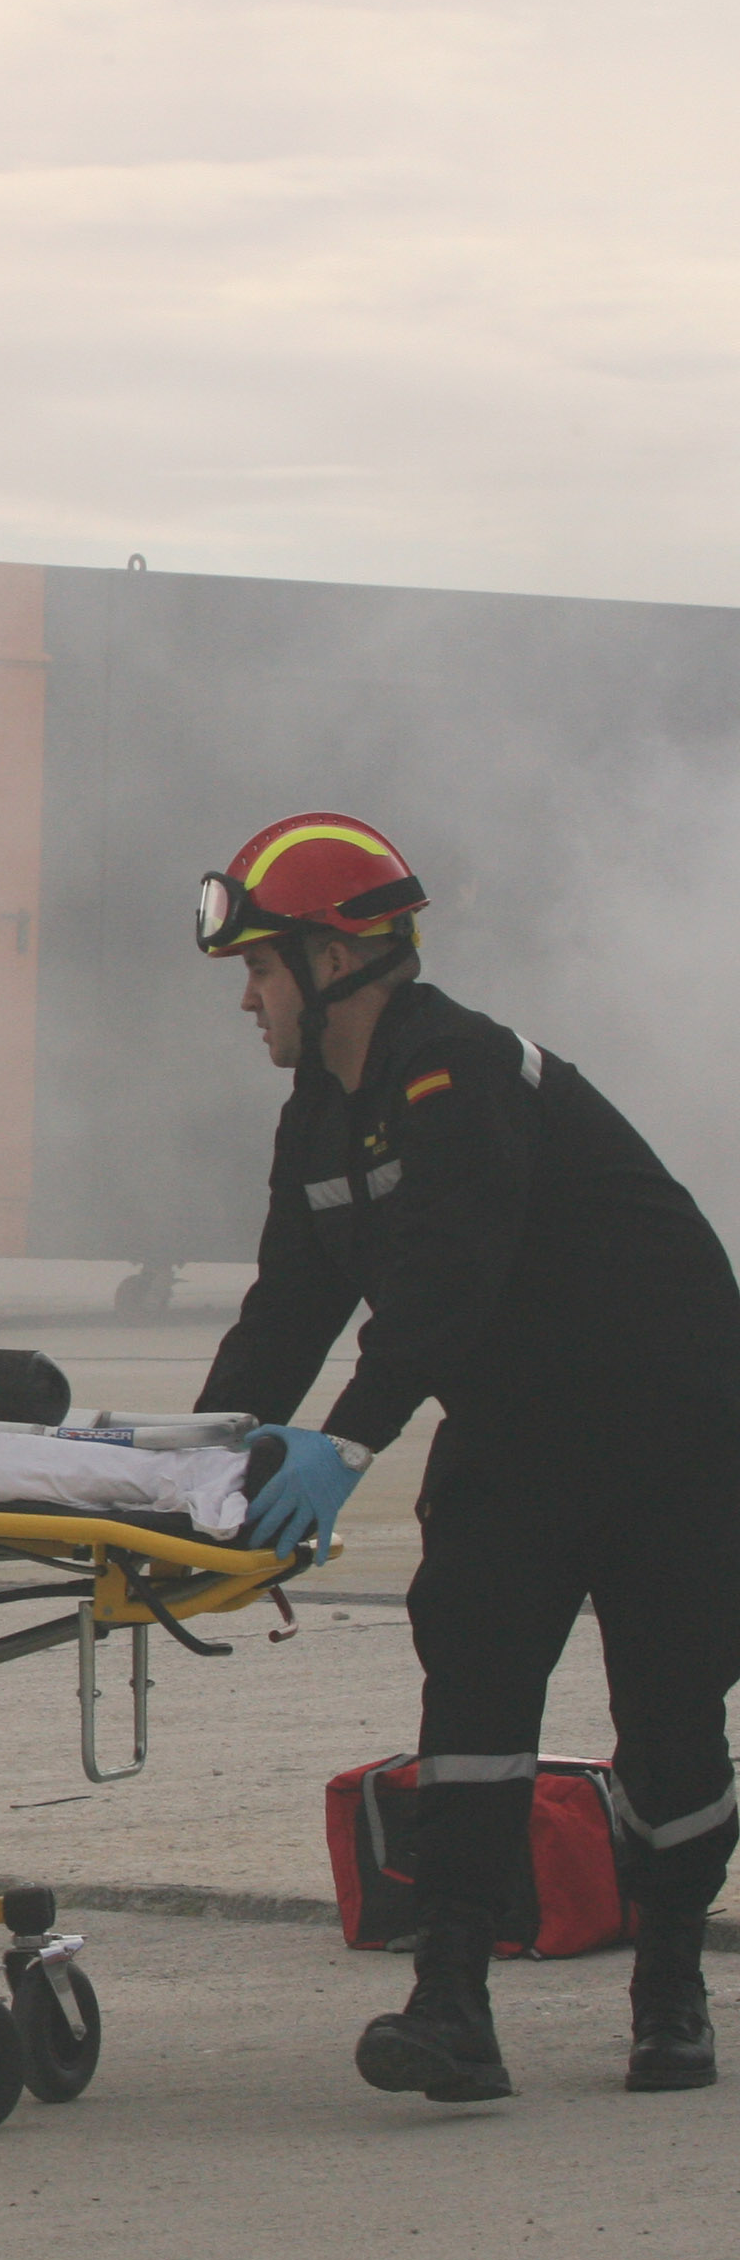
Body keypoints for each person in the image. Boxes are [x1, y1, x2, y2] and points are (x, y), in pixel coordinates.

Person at [191, 812, 739, 2102]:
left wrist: (346, 1441)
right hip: (514, 1434)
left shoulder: (465, 1071)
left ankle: (671, 1980)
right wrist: (194, 1463)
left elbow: (450, 1278)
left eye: (260, 967)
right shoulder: (320, 1114)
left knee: (672, 1723)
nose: (249, 1000)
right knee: (473, 1697)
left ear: (335, 957)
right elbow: (287, 1306)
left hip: (673, 1436)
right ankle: (451, 2001)